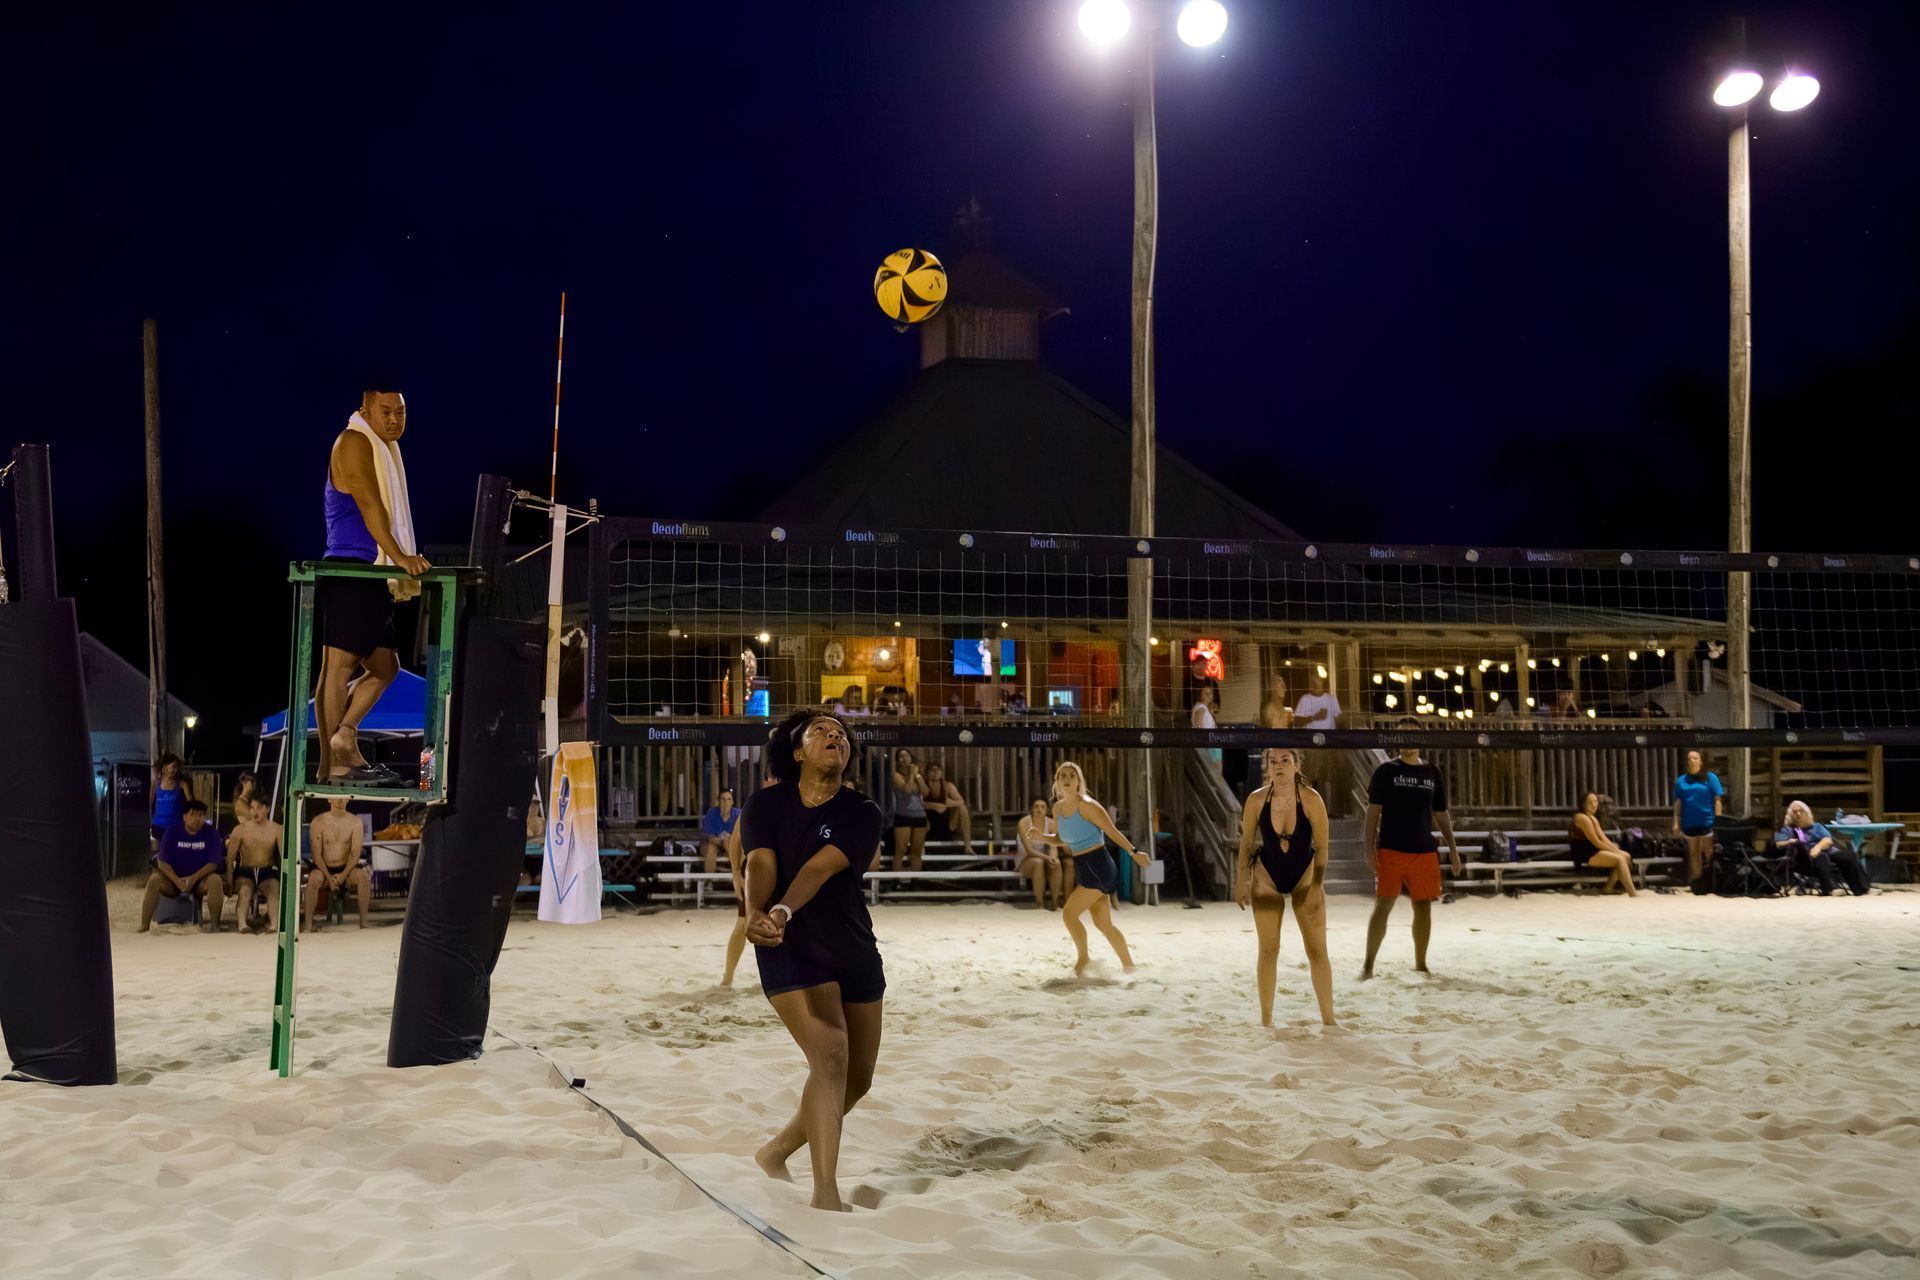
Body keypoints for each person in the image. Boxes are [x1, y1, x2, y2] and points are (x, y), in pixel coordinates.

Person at [741, 709, 886, 1212]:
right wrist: (755, 911)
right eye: (820, 731)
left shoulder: (862, 811)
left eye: (841, 734)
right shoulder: (765, 804)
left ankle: (775, 1152)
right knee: (830, 1053)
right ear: (798, 752)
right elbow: (761, 861)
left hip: (850, 944)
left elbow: (820, 869)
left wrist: (780, 908)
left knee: (857, 1079)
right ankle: (826, 1193)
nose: (834, 736)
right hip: (789, 947)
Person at [317, 382, 432, 784]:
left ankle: (345, 735)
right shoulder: (352, 440)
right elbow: (368, 501)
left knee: (385, 667)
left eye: (401, 412)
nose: (394, 419)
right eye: (385, 411)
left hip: (373, 575)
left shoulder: (385, 448)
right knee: (338, 667)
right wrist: (400, 556)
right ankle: (333, 766)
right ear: (365, 412)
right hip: (351, 567)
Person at [1235, 749, 1334, 1026]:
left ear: (1297, 765)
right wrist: (1241, 881)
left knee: (1317, 950)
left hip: (1305, 874)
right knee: (1268, 950)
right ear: (1267, 767)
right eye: (1273, 762)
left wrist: (1316, 886)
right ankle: (1266, 1020)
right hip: (1267, 875)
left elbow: (1323, 848)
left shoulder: (1311, 799)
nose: (1278, 766)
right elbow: (1246, 844)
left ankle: (1329, 1019)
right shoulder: (1256, 800)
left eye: (1285, 761)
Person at [1361, 736, 1460, 979]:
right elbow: (1373, 812)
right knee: (1383, 905)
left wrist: (1453, 848)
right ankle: (1368, 966)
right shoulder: (1386, 770)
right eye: (1403, 736)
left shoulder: (1431, 772)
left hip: (1423, 851)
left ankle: (1421, 964)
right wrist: (1369, 848)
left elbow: (1441, 813)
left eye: (1413, 736)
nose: (1408, 741)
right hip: (1391, 849)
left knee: (1423, 907)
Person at [1050, 762, 1152, 975]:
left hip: (1099, 866)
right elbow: (1061, 838)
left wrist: (1134, 852)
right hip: (1082, 866)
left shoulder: (1088, 805)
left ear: (1079, 781)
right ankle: (1129, 966)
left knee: (1069, 914)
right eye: (1063, 776)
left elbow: (1113, 832)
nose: (1067, 779)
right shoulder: (1057, 808)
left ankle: (1084, 960)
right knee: (1103, 924)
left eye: (1072, 775)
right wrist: (1040, 837)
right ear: (1057, 781)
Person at [140, 801, 226, 932]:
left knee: (215, 880)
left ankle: (215, 926)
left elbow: (213, 864)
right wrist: (176, 880)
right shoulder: (172, 831)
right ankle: (144, 926)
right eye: (193, 814)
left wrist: (193, 878)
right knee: (154, 880)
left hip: (199, 881)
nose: (197, 818)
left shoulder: (211, 833)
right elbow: (162, 862)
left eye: (201, 815)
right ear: (184, 817)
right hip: (173, 880)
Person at [303, 796, 372, 930]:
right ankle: (308, 925)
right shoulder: (318, 822)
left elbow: (355, 854)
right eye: (336, 796)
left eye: (343, 797)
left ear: (348, 799)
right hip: (323, 868)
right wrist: (329, 877)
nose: (339, 800)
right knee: (314, 878)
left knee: (363, 877)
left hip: (346, 868)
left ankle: (364, 923)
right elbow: (317, 855)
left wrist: (343, 875)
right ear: (329, 799)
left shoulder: (356, 822)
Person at [1775, 801, 1870, 896]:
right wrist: (1790, 841)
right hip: (1804, 859)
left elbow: (1828, 840)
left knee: (1850, 856)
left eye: (1801, 811)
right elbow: (1778, 843)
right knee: (1822, 856)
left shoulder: (1817, 826)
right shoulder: (1788, 829)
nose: (1798, 814)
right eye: (1795, 812)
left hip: (1824, 851)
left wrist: (1818, 847)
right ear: (1790, 815)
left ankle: (1863, 888)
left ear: (1807, 813)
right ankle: (1832, 888)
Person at [224, 796, 285, 933]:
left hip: (267, 871)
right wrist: (229, 881)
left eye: (259, 808)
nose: (254, 811)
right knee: (245, 891)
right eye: (252, 808)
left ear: (267, 809)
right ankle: (242, 924)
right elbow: (230, 859)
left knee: (273, 891)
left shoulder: (277, 829)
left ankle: (274, 925)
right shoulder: (240, 830)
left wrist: (286, 881)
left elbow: (284, 857)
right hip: (246, 871)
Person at [1569, 792, 1638, 897]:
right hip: (1584, 852)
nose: (1594, 805)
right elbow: (1596, 841)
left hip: (1594, 849)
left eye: (1595, 801)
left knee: (1626, 856)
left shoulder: (1593, 818)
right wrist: (1615, 852)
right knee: (1620, 859)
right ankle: (1632, 892)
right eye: (1590, 802)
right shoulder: (1582, 818)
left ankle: (1608, 887)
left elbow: (1604, 838)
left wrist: (1617, 851)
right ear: (1583, 804)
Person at [1672, 749, 1724, 882]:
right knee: (1693, 852)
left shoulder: (1710, 777)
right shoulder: (1681, 780)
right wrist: (1675, 822)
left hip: (1707, 820)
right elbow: (1678, 802)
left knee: (1709, 851)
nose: (1691, 761)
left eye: (1694, 758)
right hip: (1689, 821)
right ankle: (1698, 879)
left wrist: (1719, 820)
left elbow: (1718, 799)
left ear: (1701, 761)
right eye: (1689, 759)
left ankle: (1713, 879)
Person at [1014, 799, 1066, 910]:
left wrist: (1053, 858)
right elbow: (1029, 850)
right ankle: (1039, 903)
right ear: (1031, 809)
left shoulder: (1051, 824)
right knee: (1038, 862)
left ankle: (1055, 903)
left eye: (1043, 807)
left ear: (1047, 810)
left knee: (1056, 863)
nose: (1039, 809)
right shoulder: (1024, 823)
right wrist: (1047, 857)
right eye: (1036, 806)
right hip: (1025, 859)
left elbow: (1054, 846)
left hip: (1044, 858)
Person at [922, 762, 974, 855]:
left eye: (938, 770)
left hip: (947, 825)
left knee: (962, 808)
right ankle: (921, 848)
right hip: (928, 826)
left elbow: (961, 801)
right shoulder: (923, 785)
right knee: (919, 812)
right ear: (927, 773)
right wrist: (935, 806)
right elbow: (916, 803)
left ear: (941, 772)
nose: (935, 772)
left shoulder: (947, 786)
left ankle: (968, 846)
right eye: (932, 770)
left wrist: (947, 804)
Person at [889, 748, 928, 871]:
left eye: (907, 755)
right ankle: (897, 879)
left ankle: (916, 879)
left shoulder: (917, 775)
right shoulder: (896, 776)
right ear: (898, 760)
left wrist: (918, 776)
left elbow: (926, 792)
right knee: (901, 851)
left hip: (919, 816)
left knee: (916, 852)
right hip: (903, 816)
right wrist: (911, 774)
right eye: (901, 756)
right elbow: (907, 789)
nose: (904, 758)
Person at [150, 752, 194, 848]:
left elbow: (191, 803)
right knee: (160, 853)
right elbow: (151, 802)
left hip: (176, 827)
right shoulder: (155, 783)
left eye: (177, 767)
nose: (176, 770)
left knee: (175, 852)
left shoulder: (182, 784)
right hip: (158, 826)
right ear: (164, 768)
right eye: (173, 767)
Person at [700, 787, 740, 876]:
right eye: (723, 799)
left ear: (732, 802)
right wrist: (723, 842)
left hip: (730, 846)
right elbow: (709, 837)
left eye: (729, 799)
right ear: (718, 802)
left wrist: (730, 841)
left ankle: (740, 879)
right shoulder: (712, 813)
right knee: (710, 847)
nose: (726, 803)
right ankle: (709, 880)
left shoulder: (738, 814)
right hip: (714, 844)